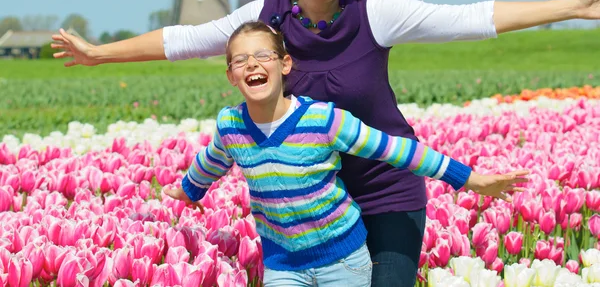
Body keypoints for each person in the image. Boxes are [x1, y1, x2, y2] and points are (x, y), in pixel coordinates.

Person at [51, 0, 600, 286]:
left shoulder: (375, 14)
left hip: (385, 189)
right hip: (312, 200)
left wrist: (571, 8)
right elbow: (187, 39)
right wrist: (99, 53)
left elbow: (468, 19)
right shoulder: (265, 19)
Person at [163, 21, 529, 287]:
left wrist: (470, 179)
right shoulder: (232, 126)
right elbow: (211, 161)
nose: (252, 65)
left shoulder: (323, 120)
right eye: (240, 60)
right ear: (230, 76)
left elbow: (395, 150)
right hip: (282, 264)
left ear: (285, 64)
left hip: (343, 261)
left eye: (263, 55)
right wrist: (188, 190)